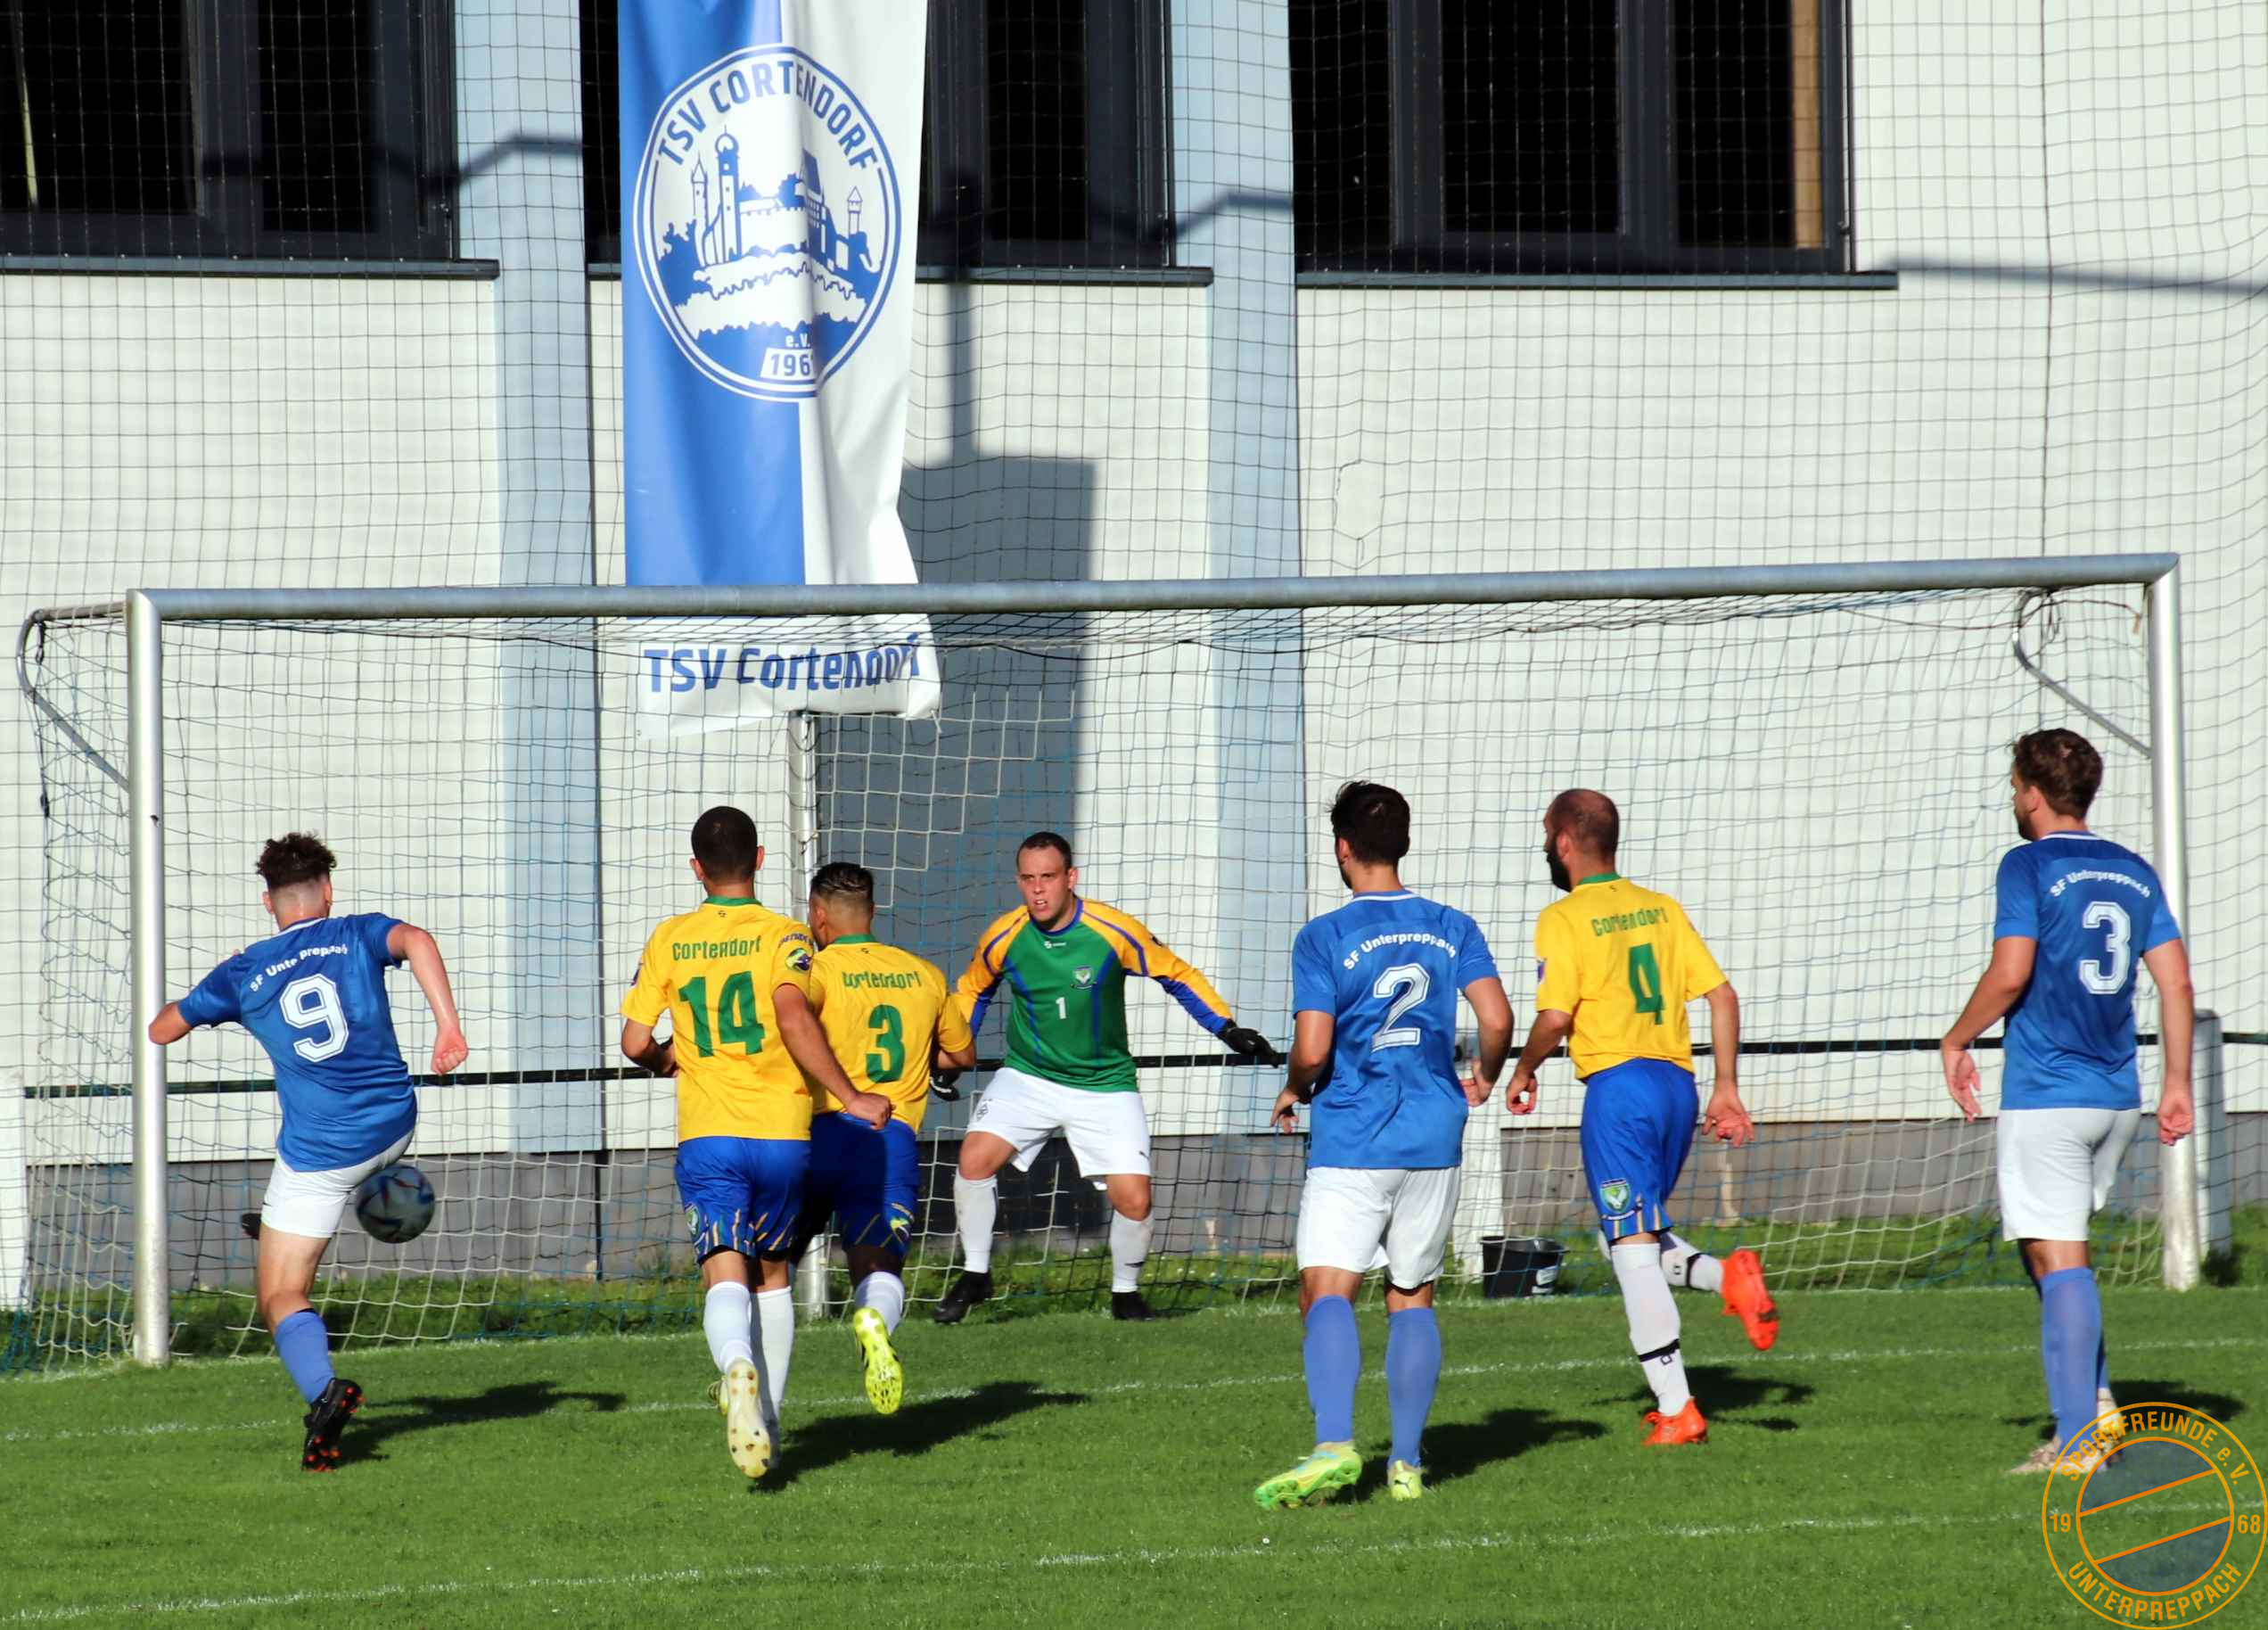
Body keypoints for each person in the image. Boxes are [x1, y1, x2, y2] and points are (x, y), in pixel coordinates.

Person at [148, 833, 467, 1471]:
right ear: (328, 891)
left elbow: (161, 1029)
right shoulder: (355, 933)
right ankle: (282, 1224)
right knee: (306, 1201)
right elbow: (418, 939)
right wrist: (448, 1029)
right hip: (395, 1123)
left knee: (279, 1296)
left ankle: (325, 1393)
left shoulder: (244, 973)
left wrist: (227, 985)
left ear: (268, 903)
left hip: (323, 1158)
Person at [1939, 729, 2194, 1474]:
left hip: (2049, 1093)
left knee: (2060, 1258)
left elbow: (2011, 972)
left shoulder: (2028, 864)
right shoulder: (2134, 871)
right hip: (2116, 1096)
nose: (2013, 799)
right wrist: (2177, 1083)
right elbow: (2176, 982)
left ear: (2031, 793)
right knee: (2048, 1254)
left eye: (2014, 786)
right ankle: (2098, 1405)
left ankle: (2078, 1443)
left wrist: (1956, 1038)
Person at [1253, 783, 1512, 1509]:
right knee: (1412, 1295)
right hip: (1434, 1134)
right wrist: (1485, 1075)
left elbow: (1313, 1048)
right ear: (1404, 842)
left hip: (1354, 1134)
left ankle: (1335, 1445)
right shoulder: (1452, 925)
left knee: (1325, 1289)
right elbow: (1496, 1017)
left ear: (1342, 848)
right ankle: (1406, 1465)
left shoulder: (1324, 936)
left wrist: (1295, 1086)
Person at [620, 807, 892, 1480]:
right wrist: (852, 1095)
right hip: (780, 1135)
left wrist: (665, 1059)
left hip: (709, 1133)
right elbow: (793, 1014)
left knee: (724, 1269)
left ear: (696, 868)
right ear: (761, 859)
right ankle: (768, 1421)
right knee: (773, 1274)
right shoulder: (787, 936)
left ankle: (735, 1367)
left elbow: (634, 1041)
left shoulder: (670, 937)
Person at [1504, 790, 1779, 1448]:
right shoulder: (1662, 907)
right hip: (1677, 1088)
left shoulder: (1563, 917)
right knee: (1626, 1235)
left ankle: (1678, 1408)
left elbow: (1556, 1016)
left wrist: (1524, 1068)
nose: (1545, 847)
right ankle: (1725, 1278)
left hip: (1620, 1092)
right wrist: (1727, 1088)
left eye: (1546, 835)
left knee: (1630, 1249)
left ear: (1563, 841)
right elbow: (1723, 995)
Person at [935, 831, 1278, 1323]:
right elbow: (972, 992)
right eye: (1028, 879)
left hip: (1104, 1084)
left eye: (1048, 877)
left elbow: (1176, 974)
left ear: (1070, 877)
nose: (1038, 890)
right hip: (1029, 1076)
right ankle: (975, 1274)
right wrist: (952, 1053)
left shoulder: (1112, 930)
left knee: (1135, 1199)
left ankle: (1125, 1295)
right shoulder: (1003, 935)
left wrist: (1226, 1027)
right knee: (973, 1159)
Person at [800, 861, 976, 1413]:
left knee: (765, 1271)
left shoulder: (814, 971)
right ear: (872, 912)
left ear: (817, 916)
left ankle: (745, 1374)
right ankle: (873, 1317)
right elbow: (961, 1055)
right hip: (887, 1137)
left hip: (817, 1132)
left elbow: (790, 1030)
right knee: (878, 1264)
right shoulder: (923, 973)